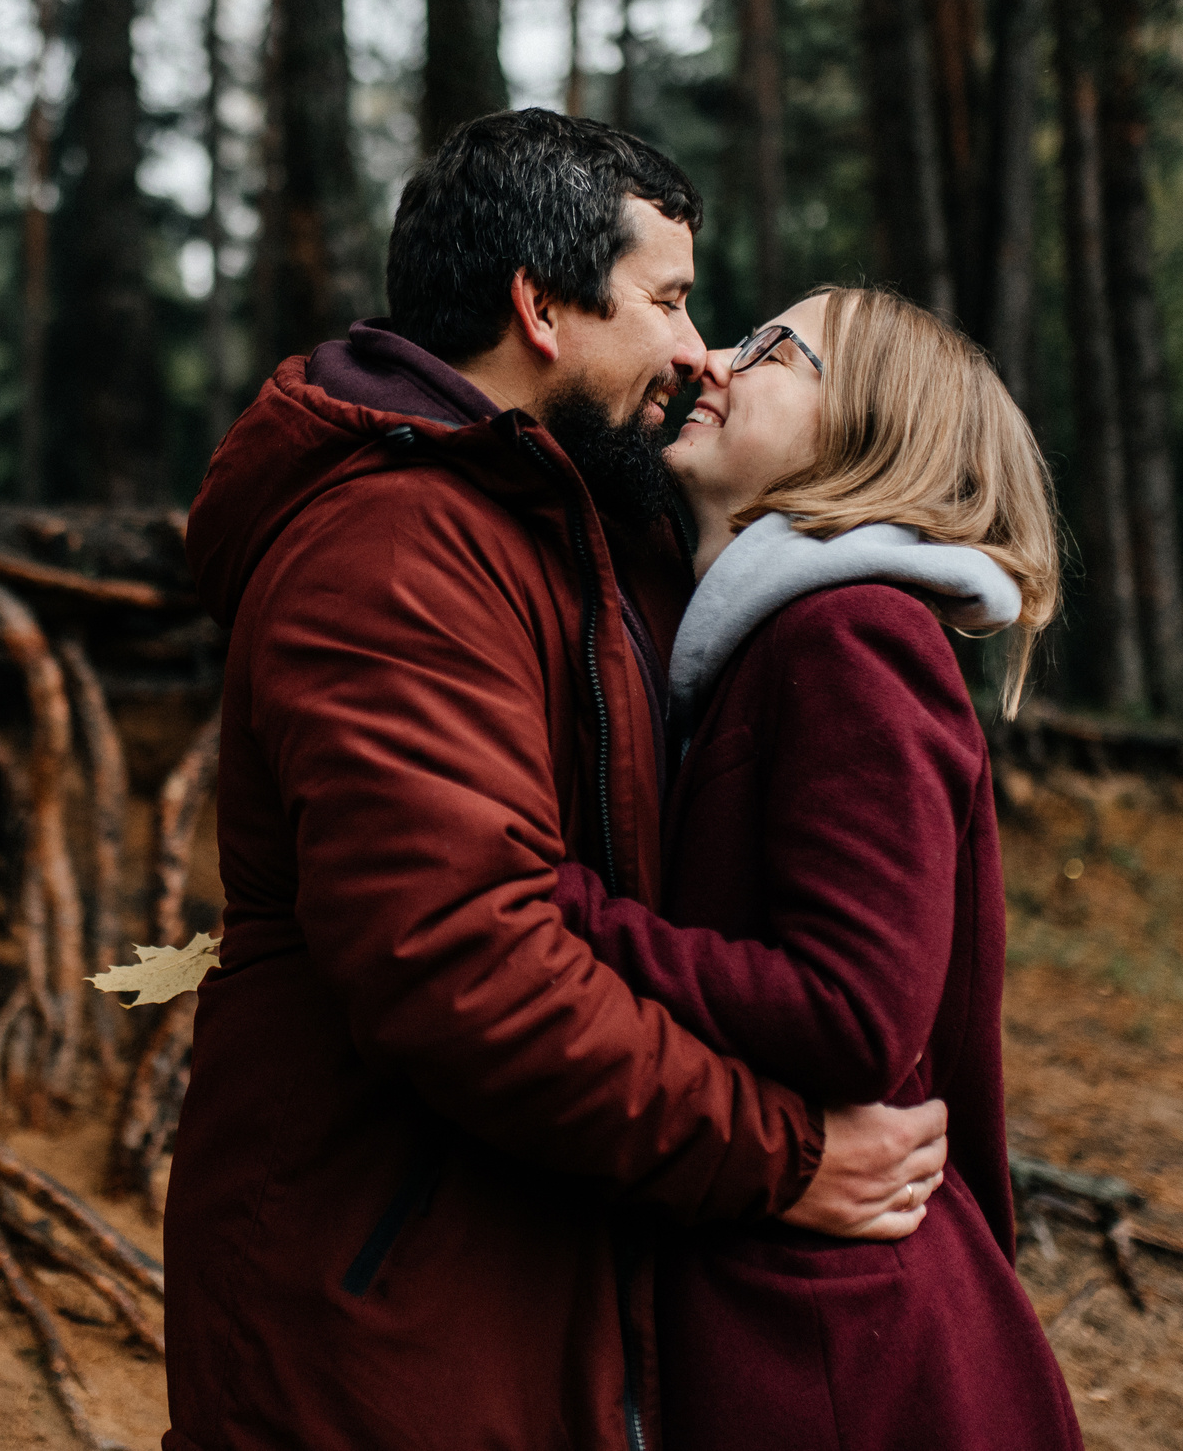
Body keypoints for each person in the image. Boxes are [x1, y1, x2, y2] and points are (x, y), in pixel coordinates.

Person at [167, 111, 951, 1451]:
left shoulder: (572, 523)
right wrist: (783, 1155)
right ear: (541, 308)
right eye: (666, 300)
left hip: (520, 1276)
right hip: (376, 1320)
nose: (698, 350)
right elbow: (465, 966)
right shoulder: (394, 550)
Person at [548, 285, 1085, 1449]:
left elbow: (853, 1014)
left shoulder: (850, 637)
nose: (713, 363)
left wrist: (566, 911)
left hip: (838, 1356)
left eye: (772, 348)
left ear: (867, 431)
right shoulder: (772, 640)